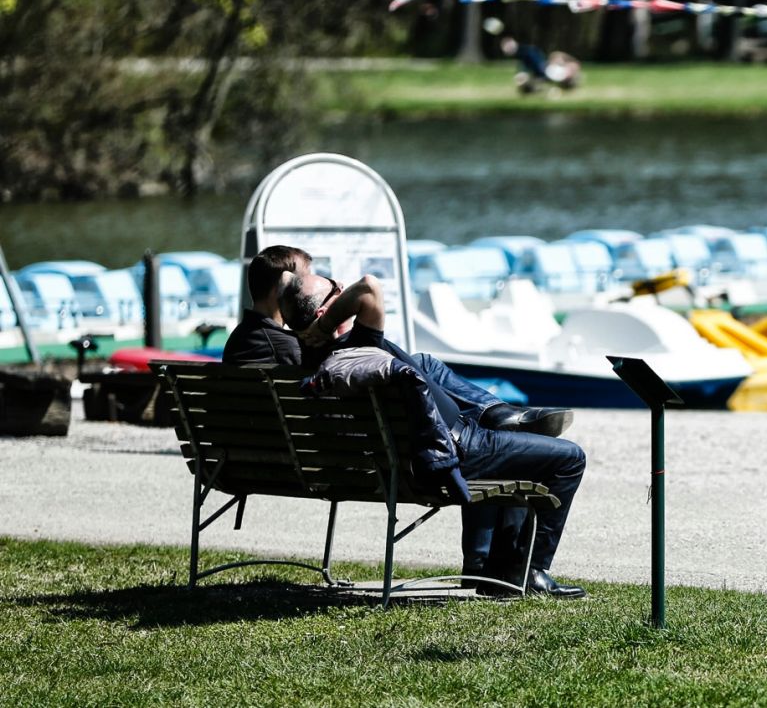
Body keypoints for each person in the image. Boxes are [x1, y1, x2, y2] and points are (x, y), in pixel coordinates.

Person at [223, 245, 586, 598]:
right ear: (325, 313)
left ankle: (484, 562)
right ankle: (532, 570)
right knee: (570, 458)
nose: (342, 291)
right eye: (337, 290)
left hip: (403, 452)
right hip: (451, 448)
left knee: (425, 365)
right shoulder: (358, 349)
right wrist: (329, 319)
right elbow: (368, 287)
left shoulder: (322, 360)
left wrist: (317, 318)